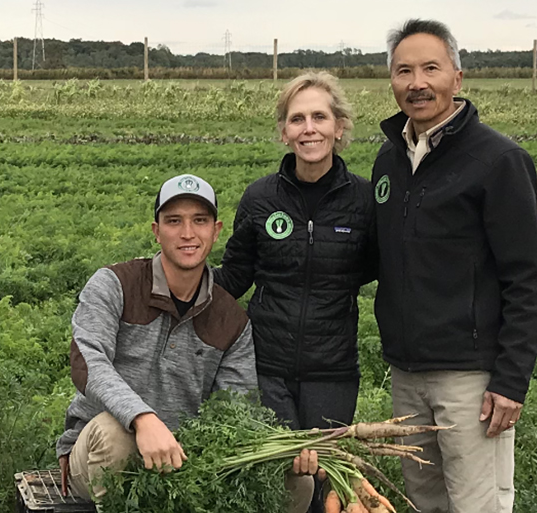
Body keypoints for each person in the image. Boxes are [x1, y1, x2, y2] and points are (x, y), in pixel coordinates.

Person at [55, 174, 320, 513]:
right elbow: (88, 362)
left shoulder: (230, 319)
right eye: (174, 221)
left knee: (297, 481)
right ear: (156, 230)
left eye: (199, 221)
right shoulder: (115, 285)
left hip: (187, 462)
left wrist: (283, 449)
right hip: (98, 455)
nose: (187, 233)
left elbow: (234, 410)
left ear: (216, 230)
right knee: (115, 434)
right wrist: (142, 419)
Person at [371, 19, 537, 513]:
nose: (417, 82)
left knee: (477, 504)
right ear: (391, 81)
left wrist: (511, 381)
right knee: (424, 501)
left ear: (457, 76)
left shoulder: (498, 160)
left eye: (431, 67)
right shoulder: (389, 161)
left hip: (470, 378)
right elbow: (377, 255)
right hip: (406, 372)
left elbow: (527, 279)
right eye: (404, 70)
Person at [214, 72, 376, 512]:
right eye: (297, 118)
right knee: (278, 481)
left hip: (332, 371)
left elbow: (381, 270)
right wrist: (174, 284)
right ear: (284, 131)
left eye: (319, 117)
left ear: (339, 127)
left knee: (325, 481)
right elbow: (234, 277)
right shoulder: (261, 197)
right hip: (266, 366)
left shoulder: (363, 201)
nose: (309, 128)